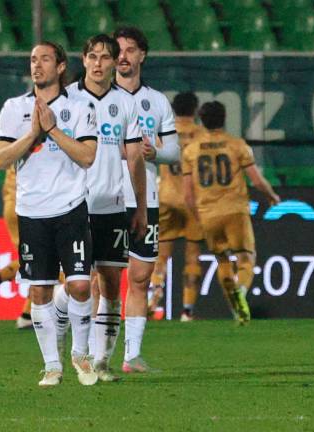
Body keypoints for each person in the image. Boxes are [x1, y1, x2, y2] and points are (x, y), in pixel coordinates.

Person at [0, 41, 99, 386]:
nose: (37, 65)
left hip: (70, 209)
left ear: (61, 67)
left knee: (81, 285)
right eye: (33, 59)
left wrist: (53, 129)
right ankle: (52, 365)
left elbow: (86, 157)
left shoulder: (81, 107)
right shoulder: (13, 107)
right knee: (38, 293)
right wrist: (33, 134)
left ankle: (80, 354)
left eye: (44, 60)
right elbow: (1, 158)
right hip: (31, 212)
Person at [66, 34, 147, 381]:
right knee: (77, 283)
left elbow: (135, 160)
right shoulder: (66, 100)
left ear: (115, 63)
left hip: (112, 205)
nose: (98, 63)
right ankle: (75, 353)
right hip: (72, 204)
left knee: (111, 283)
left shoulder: (125, 104)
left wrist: (140, 206)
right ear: (83, 60)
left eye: (105, 57)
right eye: (93, 56)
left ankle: (101, 361)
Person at [114, 26, 181, 373]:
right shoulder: (99, 98)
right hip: (105, 198)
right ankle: (94, 354)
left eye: (130, 50)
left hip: (145, 199)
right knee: (102, 279)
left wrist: (155, 152)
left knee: (140, 277)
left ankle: (131, 356)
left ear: (142, 55)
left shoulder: (156, 101)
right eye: (118, 50)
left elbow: (175, 151)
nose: (123, 56)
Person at [182, 101, 279, 325]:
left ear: (202, 121)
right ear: (224, 118)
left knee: (222, 259)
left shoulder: (191, 150)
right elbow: (256, 180)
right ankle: (240, 296)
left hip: (208, 214)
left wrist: (200, 218)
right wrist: (271, 196)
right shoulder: (237, 145)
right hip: (235, 210)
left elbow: (188, 196)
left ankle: (236, 308)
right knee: (246, 258)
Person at [149, 92, 207, 322]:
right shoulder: (203, 136)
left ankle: (152, 301)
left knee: (160, 256)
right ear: (195, 110)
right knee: (193, 256)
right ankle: (187, 311)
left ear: (173, 109)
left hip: (166, 197)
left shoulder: (164, 132)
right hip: (194, 201)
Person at [0, 165, 35, 329]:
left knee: (34, 259)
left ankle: (27, 314)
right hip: (30, 204)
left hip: (11, 202)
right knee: (43, 259)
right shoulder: (44, 140)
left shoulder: (12, 140)